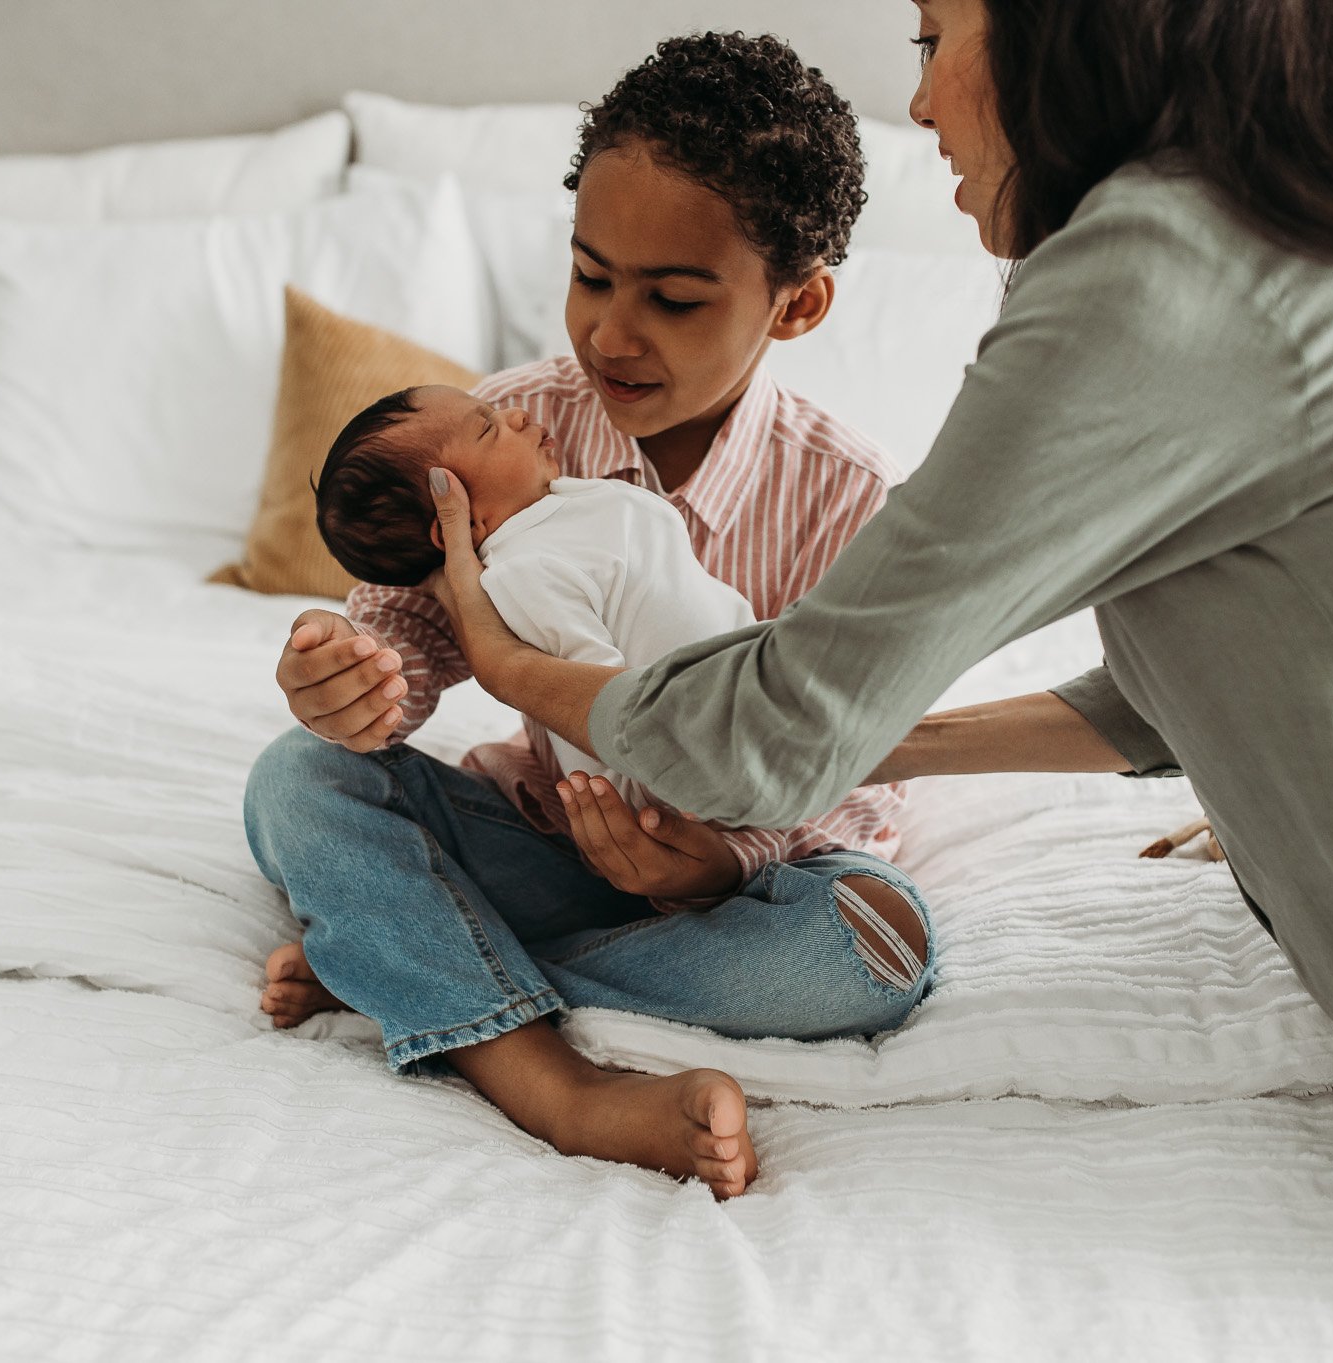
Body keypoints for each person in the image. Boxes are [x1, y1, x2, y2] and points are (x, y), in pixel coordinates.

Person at [422, 1, 1333, 1357]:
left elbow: (768, 738)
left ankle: (475, 970)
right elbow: (1188, 685)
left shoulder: (1162, 265)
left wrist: (505, 655)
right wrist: (911, 743)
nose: (919, 108)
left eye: (932, 39)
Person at [246, 33, 934, 1200]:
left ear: (796, 303)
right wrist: (354, 680)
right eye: (589, 276)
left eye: (670, 297)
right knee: (297, 780)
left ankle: (404, 961)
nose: (612, 333)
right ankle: (551, 1084)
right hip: (542, 847)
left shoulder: (845, 495)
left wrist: (715, 864)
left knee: (871, 949)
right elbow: (408, 636)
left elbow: (863, 771)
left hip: (728, 895)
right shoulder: (503, 427)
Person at [312, 382, 757, 804]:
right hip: (696, 759)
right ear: (461, 520)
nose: (518, 413)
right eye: (488, 427)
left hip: (750, 683)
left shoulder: (561, 507)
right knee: (303, 770)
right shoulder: (524, 573)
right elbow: (588, 706)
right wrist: (633, 810)